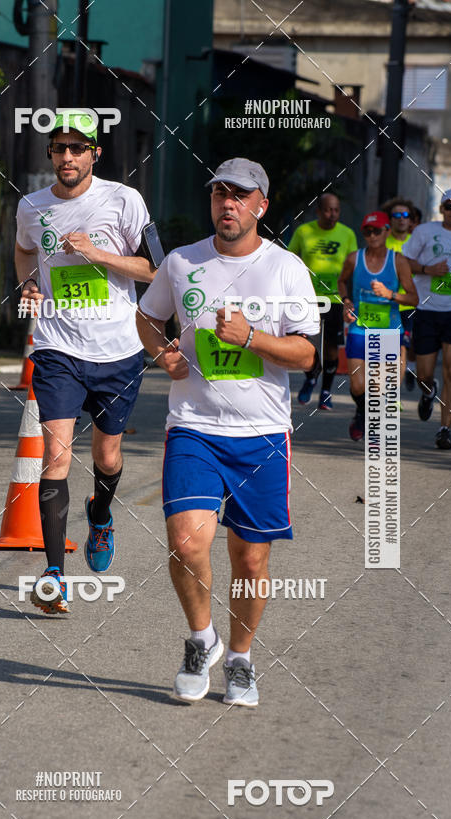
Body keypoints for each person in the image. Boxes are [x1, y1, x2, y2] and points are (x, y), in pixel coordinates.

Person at [136, 158, 320, 707]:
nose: (227, 204)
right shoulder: (180, 262)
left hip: (262, 434)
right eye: (219, 194)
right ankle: (201, 639)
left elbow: (308, 353)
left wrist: (252, 337)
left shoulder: (286, 269)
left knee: (251, 559)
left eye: (239, 195)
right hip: (193, 426)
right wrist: (161, 351)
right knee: (187, 539)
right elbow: (147, 318)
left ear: (261, 205)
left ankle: (239, 658)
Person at [15, 109, 156, 613]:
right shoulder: (31, 205)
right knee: (55, 456)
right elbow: (24, 250)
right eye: (60, 148)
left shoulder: (124, 200)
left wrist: (99, 256)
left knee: (107, 456)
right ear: (50, 154)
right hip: (57, 348)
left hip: (118, 350)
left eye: (78, 148)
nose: (68, 157)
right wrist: (28, 283)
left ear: (95, 153)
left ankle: (100, 515)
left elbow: (153, 268)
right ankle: (53, 575)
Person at [401, 188, 451, 449]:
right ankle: (429, 391)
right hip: (428, 309)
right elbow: (403, 261)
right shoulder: (425, 232)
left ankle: (445, 429)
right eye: (448, 206)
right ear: (442, 209)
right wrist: (427, 269)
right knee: (424, 374)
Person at [338, 211, 418, 441]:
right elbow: (342, 281)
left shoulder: (399, 261)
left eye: (376, 231)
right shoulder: (354, 258)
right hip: (359, 328)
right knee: (357, 385)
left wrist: (390, 294)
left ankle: (368, 422)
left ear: (387, 232)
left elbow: (413, 298)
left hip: (389, 331)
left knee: (377, 388)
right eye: (367, 231)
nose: (372, 235)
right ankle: (362, 412)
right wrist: (346, 301)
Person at [288, 192, 357, 409]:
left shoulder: (347, 234)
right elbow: (290, 260)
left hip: (335, 299)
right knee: (308, 344)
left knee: (331, 348)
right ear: (318, 211)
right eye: (328, 209)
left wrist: (349, 300)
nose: (332, 214)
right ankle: (310, 378)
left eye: (336, 210)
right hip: (308, 299)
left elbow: (354, 270)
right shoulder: (304, 231)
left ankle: (326, 391)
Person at [381, 196, 418, 391]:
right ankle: (387, 390)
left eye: (405, 215)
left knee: (402, 347)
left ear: (411, 220)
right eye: (396, 215)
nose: (401, 219)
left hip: (409, 305)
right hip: (385, 303)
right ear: (390, 219)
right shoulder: (381, 241)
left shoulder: (417, 243)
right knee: (388, 349)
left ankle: (394, 391)